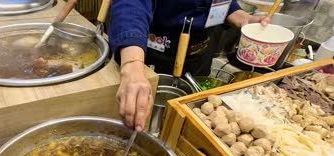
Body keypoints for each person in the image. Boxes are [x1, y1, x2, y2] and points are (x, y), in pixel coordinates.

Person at [109, 0, 270, 131]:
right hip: (152, 51)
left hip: (199, 53)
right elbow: (131, 5)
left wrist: (238, 14)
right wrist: (132, 65)